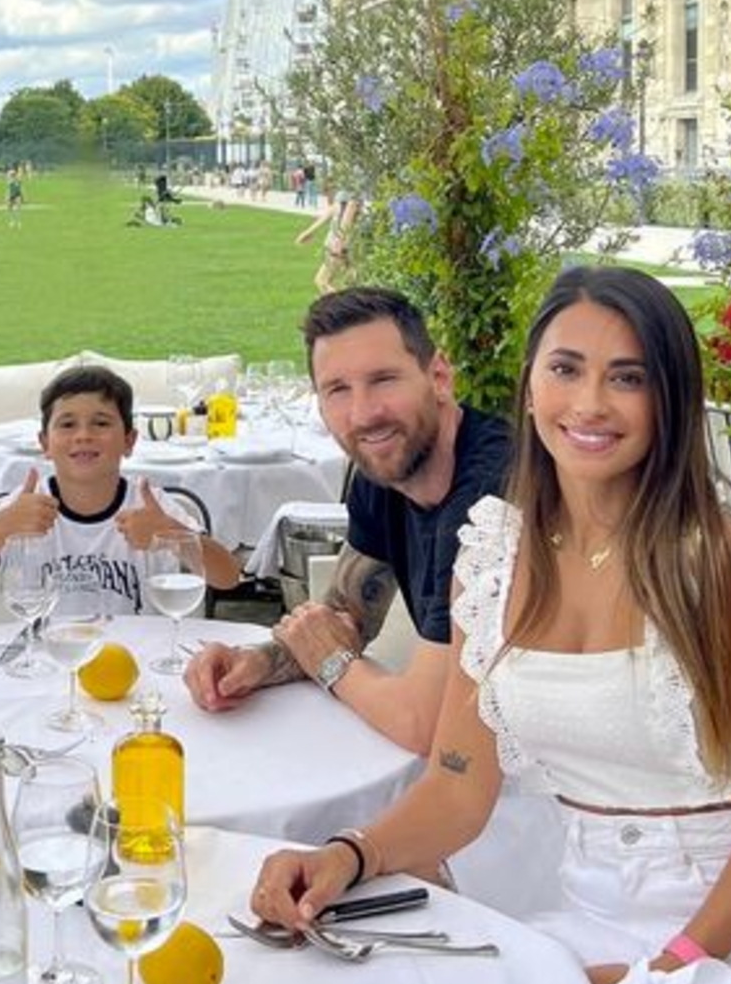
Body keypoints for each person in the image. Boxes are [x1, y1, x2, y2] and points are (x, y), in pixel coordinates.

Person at [249, 267, 731, 984]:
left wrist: (665, 972)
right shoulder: (492, 557)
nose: (589, 404)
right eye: (566, 369)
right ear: (530, 384)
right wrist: (348, 854)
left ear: (671, 399)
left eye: (628, 378)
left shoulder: (720, 562)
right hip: (583, 927)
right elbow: (458, 786)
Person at [183, 287, 511, 755]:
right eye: (338, 389)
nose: (364, 414)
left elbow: (423, 724)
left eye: (384, 379)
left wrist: (332, 664)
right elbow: (345, 615)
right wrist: (257, 662)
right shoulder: (383, 471)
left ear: (439, 376)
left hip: (551, 778)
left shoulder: (488, 497)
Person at [0, 365, 241, 611]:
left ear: (129, 441)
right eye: (67, 424)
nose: (84, 435)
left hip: (135, 655)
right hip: (51, 654)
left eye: (101, 423)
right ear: (44, 443)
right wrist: (0, 527)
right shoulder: (27, 506)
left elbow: (228, 577)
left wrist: (171, 533)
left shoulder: (150, 507)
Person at [295, 189, 360, 294]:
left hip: (337, 248)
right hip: (340, 247)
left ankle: (340, 302)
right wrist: (307, 233)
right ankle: (342, 301)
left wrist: (339, 242)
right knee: (343, 280)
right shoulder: (342, 206)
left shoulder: (349, 206)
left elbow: (344, 224)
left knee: (321, 281)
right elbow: (323, 219)